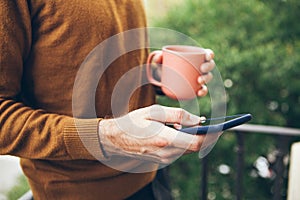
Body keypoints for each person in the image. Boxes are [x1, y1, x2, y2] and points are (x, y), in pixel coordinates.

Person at [0, 1, 217, 199]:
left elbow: (81, 64)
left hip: (150, 178)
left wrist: (156, 77)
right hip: (76, 192)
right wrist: (108, 136)